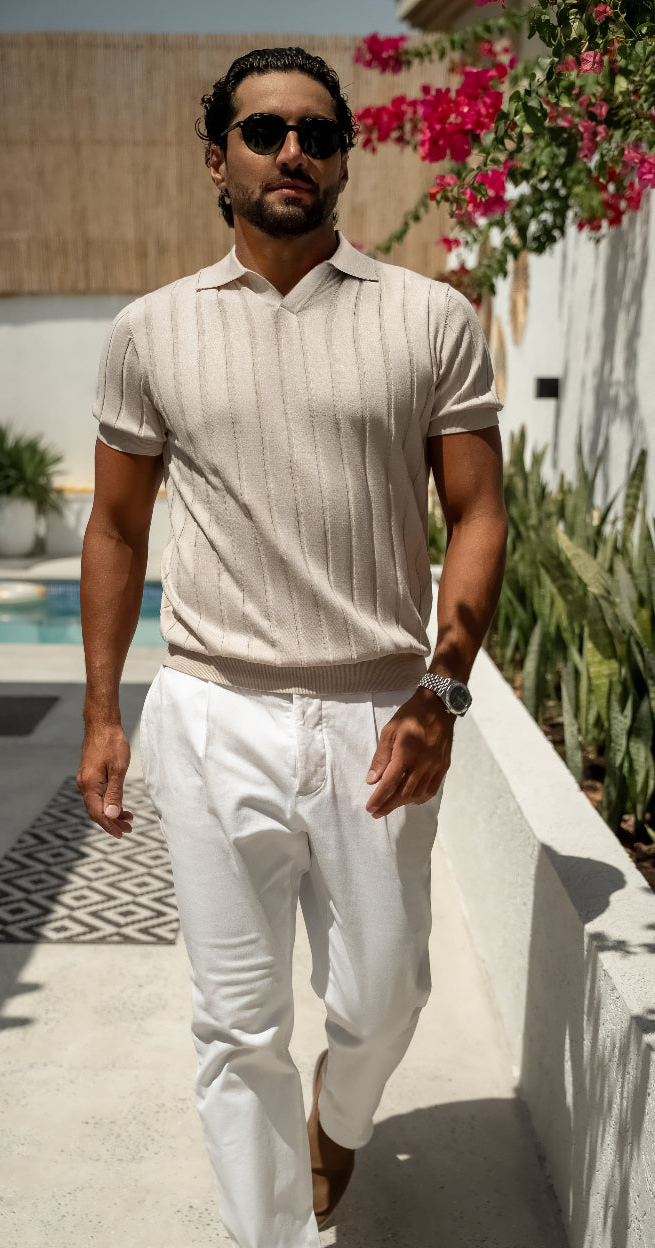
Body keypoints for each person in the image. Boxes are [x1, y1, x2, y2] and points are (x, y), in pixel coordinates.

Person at [76, 44, 508, 1248]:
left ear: (342, 161)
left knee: (384, 992)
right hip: (214, 712)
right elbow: (116, 528)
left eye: (317, 134)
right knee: (236, 1023)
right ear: (217, 160)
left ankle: (342, 1121)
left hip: (381, 712)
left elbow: (478, 513)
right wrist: (105, 711)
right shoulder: (151, 331)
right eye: (263, 132)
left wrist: (442, 688)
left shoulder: (429, 317)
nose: (292, 153)